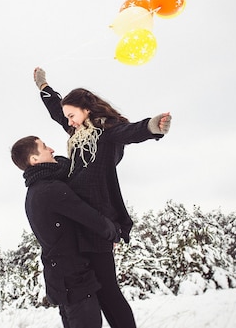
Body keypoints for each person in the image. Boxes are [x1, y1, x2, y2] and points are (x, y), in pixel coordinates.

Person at [32, 66, 171, 328]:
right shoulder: (77, 131)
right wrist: (44, 87)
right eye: (68, 118)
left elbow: (131, 132)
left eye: (72, 115)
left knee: (108, 292)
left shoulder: (106, 131)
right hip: (80, 221)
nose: (69, 121)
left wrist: (153, 126)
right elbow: (56, 111)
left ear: (86, 109)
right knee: (92, 291)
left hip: (96, 223)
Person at [11, 136, 122, 328]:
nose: (52, 149)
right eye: (44, 147)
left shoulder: (36, 191)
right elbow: (92, 218)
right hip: (74, 282)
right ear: (34, 160)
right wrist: (114, 232)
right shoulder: (50, 190)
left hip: (64, 281)